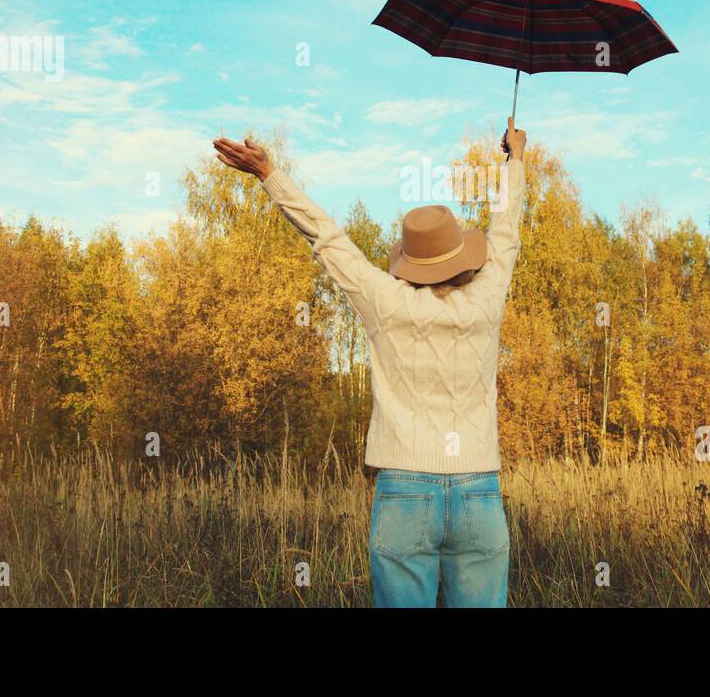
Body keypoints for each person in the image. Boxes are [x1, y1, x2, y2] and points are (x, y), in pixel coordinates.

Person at [212, 119, 527, 608]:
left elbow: (326, 236)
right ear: (461, 256)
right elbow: (507, 232)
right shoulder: (486, 300)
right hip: (478, 490)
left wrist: (268, 173)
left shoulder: (384, 299)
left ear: (410, 261)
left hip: (403, 489)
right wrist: (517, 159)